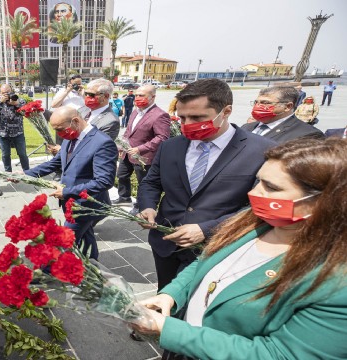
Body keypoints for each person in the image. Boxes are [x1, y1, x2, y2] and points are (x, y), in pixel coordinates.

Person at [132, 137, 347, 360]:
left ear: (325, 201)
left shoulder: (336, 284)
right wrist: (171, 295)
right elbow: (208, 260)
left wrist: (169, 330)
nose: (254, 194)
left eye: (271, 188)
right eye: (258, 182)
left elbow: (279, 354)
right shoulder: (253, 221)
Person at [137, 78, 275, 293]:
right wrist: (147, 207)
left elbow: (259, 206)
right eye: (182, 117)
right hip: (166, 244)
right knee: (165, 294)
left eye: (197, 117)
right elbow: (151, 183)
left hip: (218, 248)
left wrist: (206, 229)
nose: (187, 124)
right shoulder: (170, 147)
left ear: (226, 111)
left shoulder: (262, 151)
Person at [24, 106, 117, 260]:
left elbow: (104, 181)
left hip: (86, 205)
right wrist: (26, 175)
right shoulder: (69, 138)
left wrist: (67, 192)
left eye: (60, 129)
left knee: (61, 243)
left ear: (75, 121)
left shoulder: (102, 143)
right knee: (87, 238)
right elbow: (56, 163)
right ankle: (93, 266)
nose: (59, 134)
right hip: (71, 203)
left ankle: (45, 275)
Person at [114, 85, 170, 209]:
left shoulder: (160, 115)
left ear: (153, 97)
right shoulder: (135, 112)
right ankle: (124, 197)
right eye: (137, 95)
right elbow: (129, 131)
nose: (137, 98)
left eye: (142, 95)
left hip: (143, 156)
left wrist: (140, 149)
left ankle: (141, 206)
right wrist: (121, 146)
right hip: (127, 153)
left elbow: (162, 137)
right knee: (122, 175)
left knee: (143, 183)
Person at [242, 86, 324, 143]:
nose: (258, 106)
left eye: (266, 103)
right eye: (256, 102)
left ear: (288, 106)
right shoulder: (246, 127)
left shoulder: (308, 135)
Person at [0, 84, 30, 172]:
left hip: (18, 133)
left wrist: (16, 104)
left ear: (12, 91)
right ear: (0, 93)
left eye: (8, 92)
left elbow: (26, 113)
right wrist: (0, 102)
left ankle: (27, 172)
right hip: (3, 133)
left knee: (22, 154)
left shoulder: (19, 100)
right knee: (5, 155)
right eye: (4, 93)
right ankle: (8, 173)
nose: (6, 95)